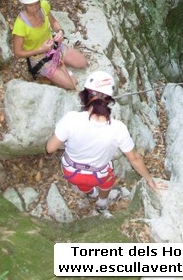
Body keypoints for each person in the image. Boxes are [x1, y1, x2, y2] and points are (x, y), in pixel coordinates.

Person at [46, 71, 167, 213]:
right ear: (109, 100)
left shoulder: (70, 119)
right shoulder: (118, 128)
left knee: (83, 182)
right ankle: (102, 203)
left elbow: (50, 148)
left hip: (71, 173)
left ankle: (91, 194)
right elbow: (134, 158)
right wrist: (150, 180)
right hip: (98, 175)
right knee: (106, 181)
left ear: (84, 95)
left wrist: (63, 137)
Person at [12, 0, 88, 89]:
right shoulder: (20, 25)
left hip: (53, 46)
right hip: (38, 58)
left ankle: (58, 68)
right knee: (72, 83)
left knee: (83, 63)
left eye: (37, 3)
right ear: (24, 4)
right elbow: (17, 53)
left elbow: (54, 22)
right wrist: (40, 50)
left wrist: (60, 32)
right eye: (30, 5)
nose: (35, 8)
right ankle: (51, 74)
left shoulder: (44, 6)